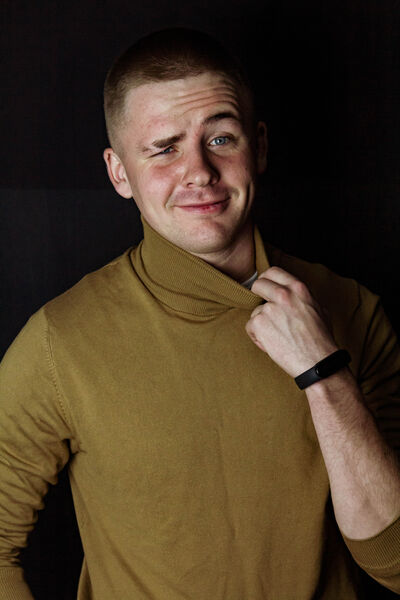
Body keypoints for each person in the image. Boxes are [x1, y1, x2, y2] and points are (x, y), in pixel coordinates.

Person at [1, 27, 400, 600]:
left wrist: (324, 373)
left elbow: (393, 561)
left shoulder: (352, 310)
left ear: (258, 147)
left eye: (220, 138)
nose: (200, 172)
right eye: (164, 148)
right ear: (119, 173)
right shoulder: (58, 340)